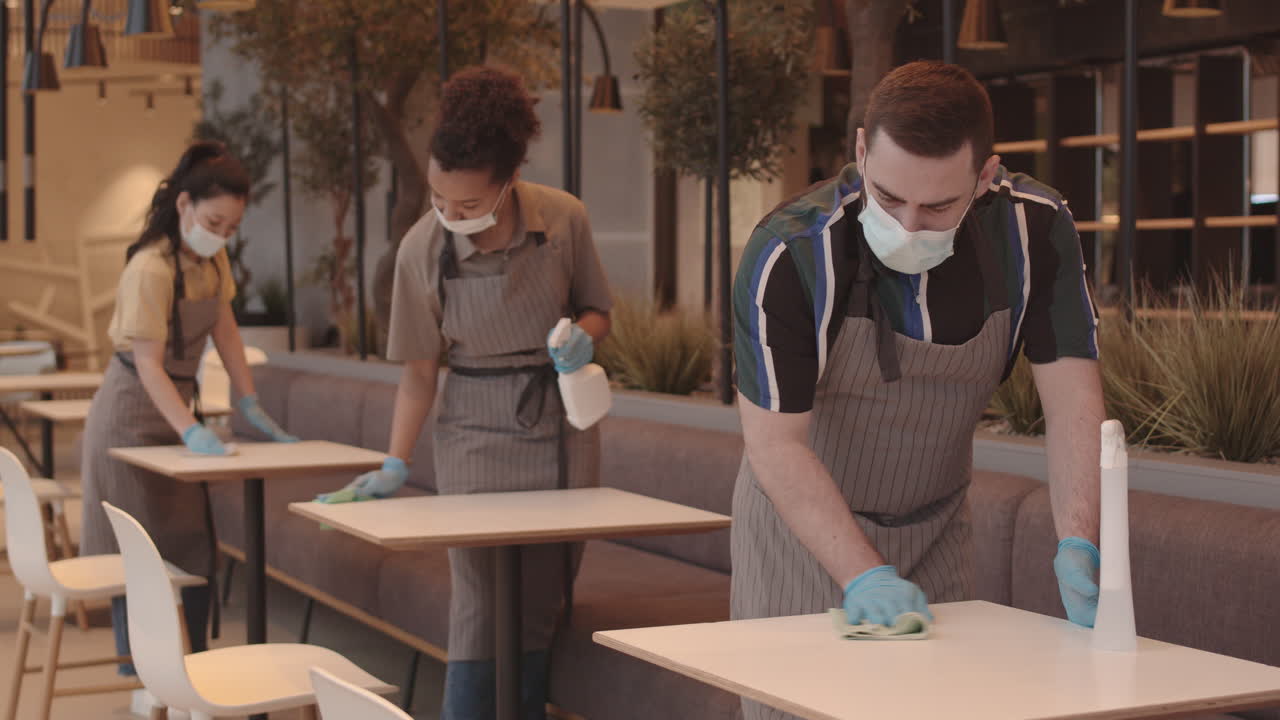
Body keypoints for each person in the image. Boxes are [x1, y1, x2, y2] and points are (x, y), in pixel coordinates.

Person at [731, 61, 1103, 720]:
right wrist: (864, 574)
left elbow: (1071, 399)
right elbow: (774, 447)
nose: (907, 225)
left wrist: (1079, 540)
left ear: (985, 177)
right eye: (888, 196)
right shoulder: (792, 252)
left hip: (937, 532)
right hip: (799, 541)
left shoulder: (1034, 232)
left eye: (936, 206)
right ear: (859, 151)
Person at [316, 66, 613, 720]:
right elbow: (420, 373)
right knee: (482, 607)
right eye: (437, 199)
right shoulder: (420, 250)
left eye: (468, 205)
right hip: (473, 434)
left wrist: (582, 338)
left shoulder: (564, 220)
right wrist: (394, 462)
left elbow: (597, 310)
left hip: (562, 431)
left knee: (543, 603)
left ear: (509, 182)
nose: (449, 215)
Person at [80, 142, 298, 676]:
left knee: (194, 543)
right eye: (213, 221)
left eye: (231, 227)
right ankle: (145, 674)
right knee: (140, 550)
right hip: (130, 413)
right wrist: (192, 431)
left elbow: (224, 328)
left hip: (175, 409)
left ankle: (195, 667)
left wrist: (250, 401)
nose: (222, 235)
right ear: (183, 206)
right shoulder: (150, 269)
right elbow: (149, 364)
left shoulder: (211, 260)